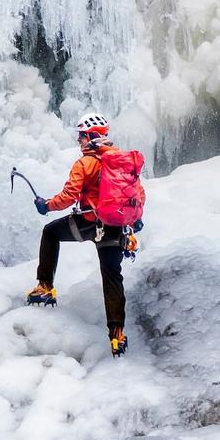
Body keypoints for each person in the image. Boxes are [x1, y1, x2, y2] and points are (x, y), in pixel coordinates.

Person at [26, 112, 140, 357]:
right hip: (115, 227)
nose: (79, 141)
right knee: (112, 278)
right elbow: (137, 195)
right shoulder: (122, 161)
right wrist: (135, 221)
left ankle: (45, 286)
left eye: (81, 136)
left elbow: (68, 196)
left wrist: (47, 205)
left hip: (88, 223)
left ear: (91, 136)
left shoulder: (85, 163)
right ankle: (117, 335)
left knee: (50, 232)